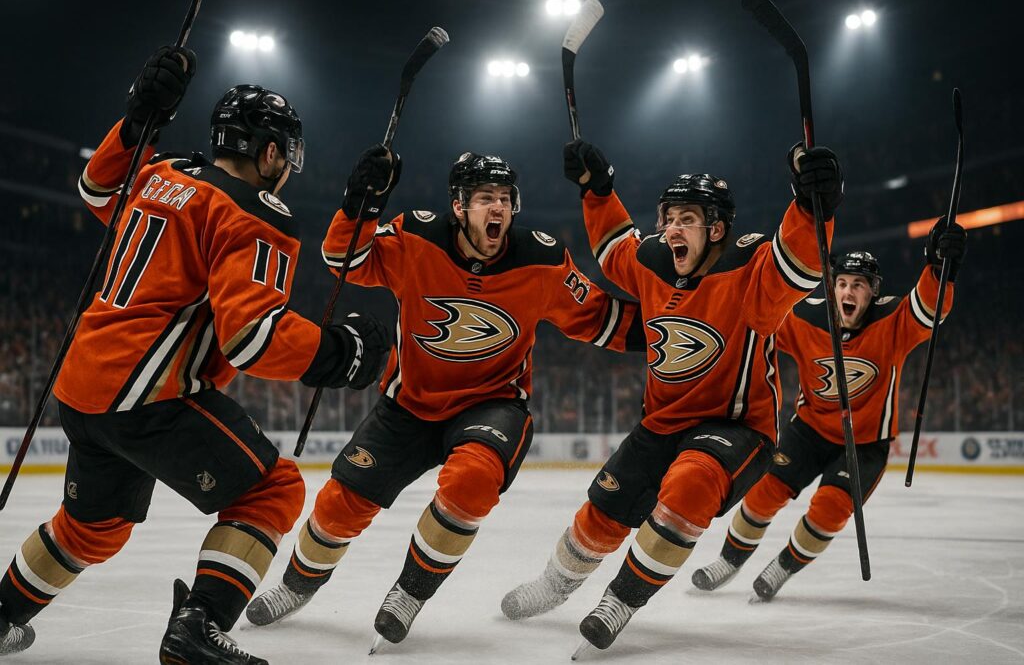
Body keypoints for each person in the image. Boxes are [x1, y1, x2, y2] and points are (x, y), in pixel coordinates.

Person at [0, 47, 388, 663]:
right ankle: (198, 628)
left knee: (92, 526)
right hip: (145, 395)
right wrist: (345, 351)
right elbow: (252, 336)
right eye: (286, 155)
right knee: (272, 492)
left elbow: (97, 188)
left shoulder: (162, 173)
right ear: (270, 154)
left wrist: (136, 125)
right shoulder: (253, 211)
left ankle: (2, 614)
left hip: (81, 385)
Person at [246, 147, 642, 650]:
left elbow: (603, 319)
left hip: (492, 404)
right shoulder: (415, 237)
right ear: (458, 206)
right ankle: (297, 586)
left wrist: (678, 325)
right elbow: (343, 261)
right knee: (340, 504)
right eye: (485, 198)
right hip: (408, 405)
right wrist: (360, 204)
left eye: (505, 198)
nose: (498, 207)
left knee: (472, 481)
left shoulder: (541, 259)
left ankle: (410, 593)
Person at [501, 139, 843, 654]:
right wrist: (598, 190)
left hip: (735, 427)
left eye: (687, 219)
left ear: (717, 229)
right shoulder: (655, 259)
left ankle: (620, 601)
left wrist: (814, 205)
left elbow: (799, 264)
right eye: (669, 218)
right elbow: (615, 249)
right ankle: (554, 585)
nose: (672, 229)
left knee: (688, 488)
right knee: (602, 512)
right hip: (660, 422)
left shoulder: (751, 267)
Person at [691, 232, 965, 601]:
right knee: (763, 493)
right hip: (809, 431)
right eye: (842, 283)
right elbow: (761, 319)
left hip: (865, 443)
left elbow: (930, 309)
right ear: (832, 287)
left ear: (873, 292)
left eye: (858, 285)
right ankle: (728, 561)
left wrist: (940, 268)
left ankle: (783, 566)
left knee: (829, 510)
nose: (848, 292)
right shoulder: (807, 317)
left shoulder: (892, 319)